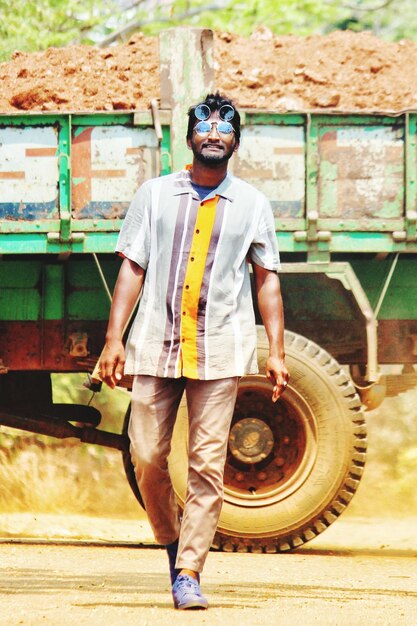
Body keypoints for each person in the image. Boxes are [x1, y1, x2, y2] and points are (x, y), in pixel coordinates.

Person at [99, 92, 289, 610]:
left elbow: (266, 279)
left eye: (224, 128)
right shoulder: (154, 195)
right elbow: (132, 268)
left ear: (235, 142)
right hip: (155, 345)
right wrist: (114, 339)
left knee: (206, 464)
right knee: (146, 456)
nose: (213, 134)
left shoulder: (252, 204)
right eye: (203, 127)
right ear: (189, 139)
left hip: (220, 350)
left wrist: (275, 349)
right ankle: (171, 540)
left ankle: (189, 571)